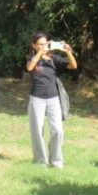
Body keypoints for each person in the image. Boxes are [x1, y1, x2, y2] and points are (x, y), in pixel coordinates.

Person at [25, 31, 77, 168]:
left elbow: (73, 66)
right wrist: (39, 53)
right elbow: (30, 67)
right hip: (37, 99)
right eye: (40, 44)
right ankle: (40, 162)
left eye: (46, 43)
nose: (43, 46)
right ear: (34, 45)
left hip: (53, 99)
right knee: (37, 131)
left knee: (58, 130)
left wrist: (68, 52)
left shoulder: (54, 58)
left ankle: (56, 161)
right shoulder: (32, 57)